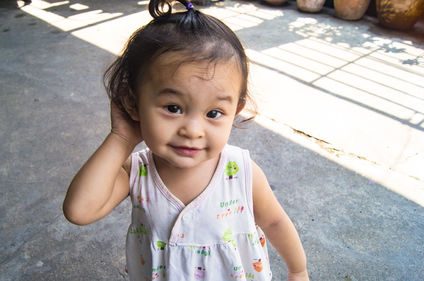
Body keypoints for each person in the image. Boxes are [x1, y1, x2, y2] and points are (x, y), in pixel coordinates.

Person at [63, 0, 309, 280]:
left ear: (235, 111)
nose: (193, 130)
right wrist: (121, 137)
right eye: (173, 108)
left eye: (214, 113)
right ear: (133, 103)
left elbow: (275, 221)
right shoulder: (137, 173)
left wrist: (298, 270)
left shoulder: (240, 172)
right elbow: (79, 211)